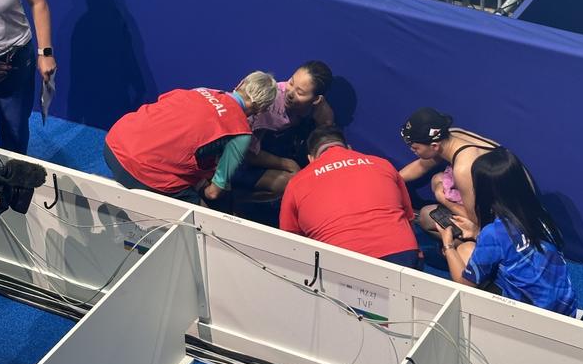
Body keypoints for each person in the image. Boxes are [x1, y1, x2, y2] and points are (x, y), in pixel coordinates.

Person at [435, 147, 577, 316]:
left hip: (533, 319)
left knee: (464, 250)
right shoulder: (538, 213)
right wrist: (475, 232)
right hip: (567, 307)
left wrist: (448, 245)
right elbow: (514, 244)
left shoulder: (493, 232)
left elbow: (465, 284)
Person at [104, 71, 277, 206]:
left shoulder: (200, 91)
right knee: (205, 222)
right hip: (140, 173)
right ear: (261, 109)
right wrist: (202, 184)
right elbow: (213, 193)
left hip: (114, 142)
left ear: (241, 84)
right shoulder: (241, 133)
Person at [280, 126, 420, 268]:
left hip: (339, 265)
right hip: (403, 256)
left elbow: (290, 240)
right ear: (349, 148)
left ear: (311, 159)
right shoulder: (382, 164)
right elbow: (409, 217)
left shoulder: (296, 183)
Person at [0, 0, 57, 154]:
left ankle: (13, 192)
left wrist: (45, 52)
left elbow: (39, 2)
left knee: (14, 140)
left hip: (14, 61)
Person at [233, 60, 334, 198]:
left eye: (300, 92)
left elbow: (330, 140)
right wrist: (287, 164)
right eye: (291, 82)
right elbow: (246, 153)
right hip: (234, 162)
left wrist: (326, 123)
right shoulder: (269, 105)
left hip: (270, 156)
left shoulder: (321, 110)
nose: (290, 93)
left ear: (316, 100)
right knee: (294, 183)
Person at [399, 107, 498, 229]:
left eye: (415, 148)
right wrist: (388, 180)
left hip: (502, 221)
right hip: (505, 197)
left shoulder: (463, 167)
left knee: (427, 216)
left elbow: (479, 220)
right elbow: (421, 165)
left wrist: (444, 200)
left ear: (434, 146)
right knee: (438, 180)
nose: (412, 151)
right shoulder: (452, 135)